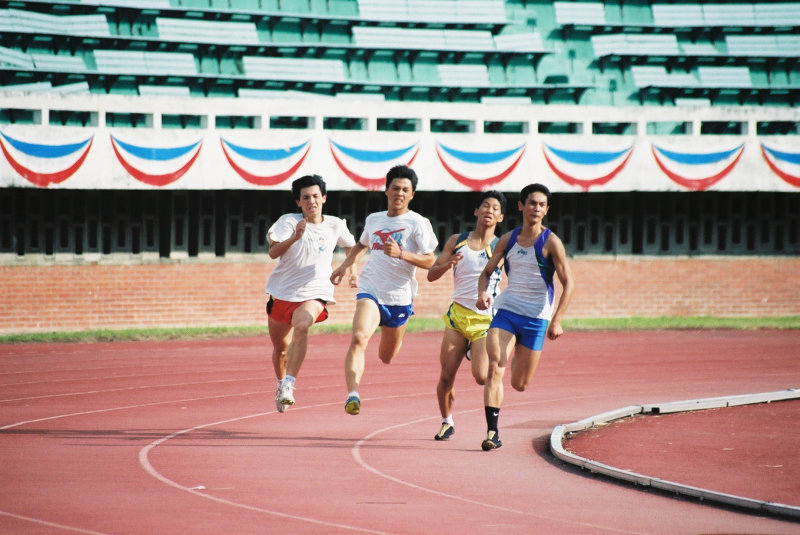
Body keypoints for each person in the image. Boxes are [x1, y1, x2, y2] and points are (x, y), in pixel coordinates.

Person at [331, 165, 438, 415]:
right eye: (395, 188)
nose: (399, 193)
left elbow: (432, 261)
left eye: (405, 190)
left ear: (412, 195)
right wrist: (344, 267)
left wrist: (402, 254)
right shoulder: (374, 218)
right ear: (386, 190)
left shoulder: (418, 223)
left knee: (386, 356)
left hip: (399, 296)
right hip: (371, 288)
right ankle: (353, 394)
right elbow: (360, 245)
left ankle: (389, 330)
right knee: (358, 337)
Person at [476, 183, 574, 450]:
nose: (536, 208)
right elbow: (486, 271)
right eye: (532, 203)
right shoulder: (508, 239)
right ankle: (492, 433)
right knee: (495, 366)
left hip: (536, 317)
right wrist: (483, 294)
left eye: (541, 205)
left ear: (546, 210)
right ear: (521, 206)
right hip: (507, 310)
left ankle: (519, 348)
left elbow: (569, 283)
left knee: (519, 384)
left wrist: (557, 319)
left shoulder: (551, 242)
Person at [266, 174, 357, 413]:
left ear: (324, 198)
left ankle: (289, 384)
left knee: (303, 324)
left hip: (316, 292)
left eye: (316, 196)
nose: (311, 201)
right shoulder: (288, 221)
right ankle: (280, 382)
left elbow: (352, 245)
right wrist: (296, 236)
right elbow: (273, 252)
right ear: (298, 202)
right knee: (281, 349)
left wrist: (350, 270)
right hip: (283, 293)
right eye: (305, 197)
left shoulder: (335, 224)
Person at [427, 190, 506, 441]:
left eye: (494, 208)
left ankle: (474, 349)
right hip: (458, 318)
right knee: (446, 376)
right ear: (476, 211)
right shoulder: (457, 240)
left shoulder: (502, 246)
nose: (489, 210)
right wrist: (447, 263)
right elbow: (431, 274)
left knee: (482, 377)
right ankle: (446, 421)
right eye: (485, 206)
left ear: (500, 217)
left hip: (486, 321)